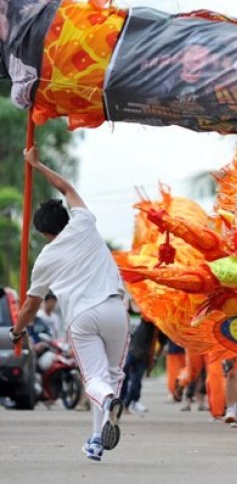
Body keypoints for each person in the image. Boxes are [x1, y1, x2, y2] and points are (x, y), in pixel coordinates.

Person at [9, 147, 128, 462]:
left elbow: (29, 308)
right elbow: (67, 188)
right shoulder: (84, 223)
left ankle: (105, 410)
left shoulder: (45, 259)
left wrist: (17, 332)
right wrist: (37, 164)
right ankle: (96, 439)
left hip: (82, 318)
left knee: (96, 380)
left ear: (45, 233)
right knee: (112, 373)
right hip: (116, 309)